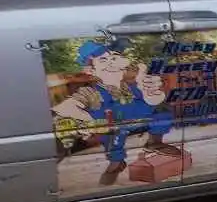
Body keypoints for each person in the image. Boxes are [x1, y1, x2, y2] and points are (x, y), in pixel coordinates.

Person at [51, 38, 193, 185]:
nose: (111, 63)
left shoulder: (132, 87)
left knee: (161, 108)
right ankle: (116, 162)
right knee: (113, 126)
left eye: (114, 57)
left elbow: (154, 101)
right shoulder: (90, 92)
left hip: (137, 122)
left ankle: (154, 142)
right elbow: (64, 107)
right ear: (91, 70)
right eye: (104, 60)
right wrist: (87, 120)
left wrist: (152, 94)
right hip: (114, 128)